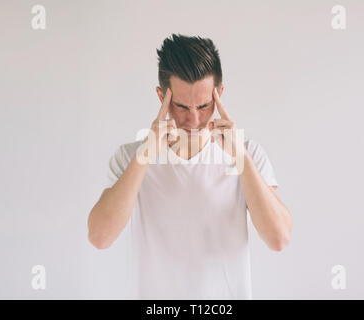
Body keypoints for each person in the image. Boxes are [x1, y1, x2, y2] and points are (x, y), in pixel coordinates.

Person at [87, 34, 292, 299]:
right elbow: (100, 237)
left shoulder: (248, 154)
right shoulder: (131, 157)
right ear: (161, 96)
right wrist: (146, 152)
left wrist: (240, 157)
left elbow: (279, 239)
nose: (193, 119)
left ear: (219, 95)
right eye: (181, 106)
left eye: (204, 105)